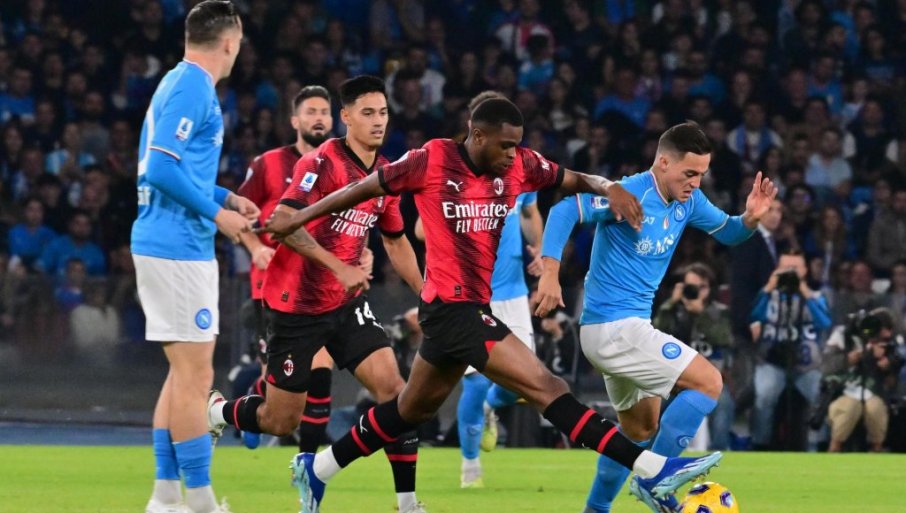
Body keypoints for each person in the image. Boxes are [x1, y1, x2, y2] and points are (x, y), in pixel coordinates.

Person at [264, 98, 722, 513]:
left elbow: (570, 179)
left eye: (516, 145)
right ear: (477, 135)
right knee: (548, 387)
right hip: (452, 310)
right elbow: (365, 187)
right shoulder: (431, 159)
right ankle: (651, 469)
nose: (511, 154)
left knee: (409, 411)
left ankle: (318, 468)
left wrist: (609, 187)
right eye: (504, 145)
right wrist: (301, 215)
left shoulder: (520, 164)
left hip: (468, 309)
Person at [208, 75, 428, 513]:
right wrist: (339, 266)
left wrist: (428, 295)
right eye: (367, 113)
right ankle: (217, 412)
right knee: (279, 419)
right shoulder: (322, 162)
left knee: (397, 392)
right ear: (346, 118)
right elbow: (283, 223)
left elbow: (395, 240)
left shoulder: (385, 173)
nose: (378, 121)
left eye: (383, 112)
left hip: (345, 304)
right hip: (295, 306)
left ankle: (407, 503)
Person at [537, 122, 776, 513]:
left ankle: (595, 509)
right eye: (689, 173)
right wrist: (550, 272)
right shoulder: (631, 194)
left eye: (701, 174)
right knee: (709, 382)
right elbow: (565, 209)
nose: (696, 183)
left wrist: (750, 218)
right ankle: (657, 480)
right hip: (613, 328)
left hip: (625, 330)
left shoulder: (688, 202)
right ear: (663, 162)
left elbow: (729, 233)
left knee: (639, 432)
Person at [130, 3, 256, 513]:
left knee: (181, 374)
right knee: (196, 378)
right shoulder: (193, 88)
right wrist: (217, 214)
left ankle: (166, 496)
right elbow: (159, 170)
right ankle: (200, 502)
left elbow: (174, 168)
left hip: (170, 242)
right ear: (229, 42)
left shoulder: (176, 82)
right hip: (177, 246)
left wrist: (226, 197)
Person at [233, 85, 336, 451]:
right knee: (279, 385)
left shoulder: (340, 165)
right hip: (273, 288)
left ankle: (308, 462)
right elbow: (237, 211)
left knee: (320, 368)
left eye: (324, 111)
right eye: (310, 112)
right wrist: (255, 247)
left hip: (321, 288)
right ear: (295, 121)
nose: (318, 118)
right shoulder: (269, 163)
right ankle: (254, 397)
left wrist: (362, 256)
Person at [749, 249, 832, 451]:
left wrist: (804, 291)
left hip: (807, 363)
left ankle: (817, 448)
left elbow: (824, 323)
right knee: (765, 396)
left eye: (795, 268)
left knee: (820, 398)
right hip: (772, 360)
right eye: (786, 267)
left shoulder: (816, 296)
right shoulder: (768, 295)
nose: (791, 272)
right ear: (777, 269)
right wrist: (768, 288)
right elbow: (754, 316)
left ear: (805, 270)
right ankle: (760, 447)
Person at [654, 263, 735, 451]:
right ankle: (651, 453)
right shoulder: (672, 311)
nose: (695, 291)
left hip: (710, 380)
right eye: (690, 286)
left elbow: (725, 339)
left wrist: (701, 314)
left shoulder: (719, 312)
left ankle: (719, 450)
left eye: (701, 287)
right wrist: (670, 304)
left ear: (710, 288)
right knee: (652, 404)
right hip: (674, 381)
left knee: (724, 404)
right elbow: (655, 335)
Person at [821, 308, 903, 452]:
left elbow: (897, 360)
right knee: (849, 408)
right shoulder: (843, 334)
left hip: (873, 391)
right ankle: (834, 449)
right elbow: (826, 365)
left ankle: (876, 449)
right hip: (843, 390)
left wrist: (888, 364)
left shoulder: (888, 341)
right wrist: (847, 359)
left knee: (875, 408)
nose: (886, 336)